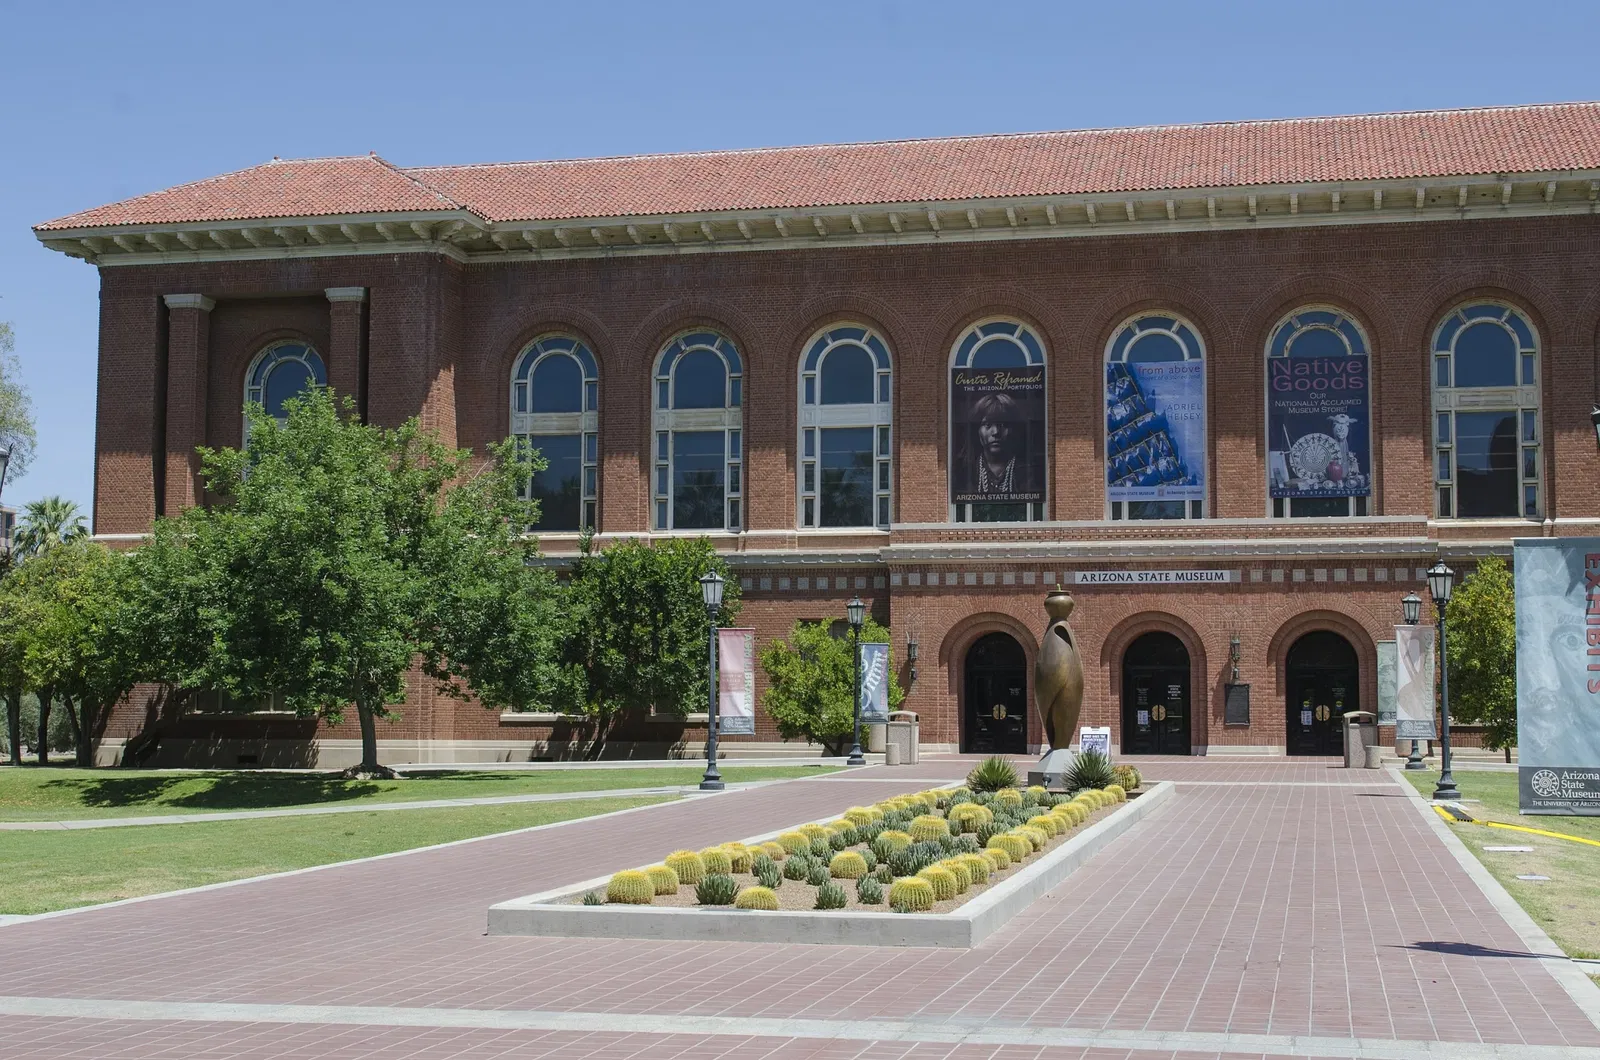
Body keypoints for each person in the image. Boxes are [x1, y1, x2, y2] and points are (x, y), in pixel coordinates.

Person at [963, 391, 1036, 498]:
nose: (996, 432)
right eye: (988, 425)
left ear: (1014, 429)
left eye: (1003, 424)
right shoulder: (964, 473)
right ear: (977, 430)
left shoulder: (1029, 472)